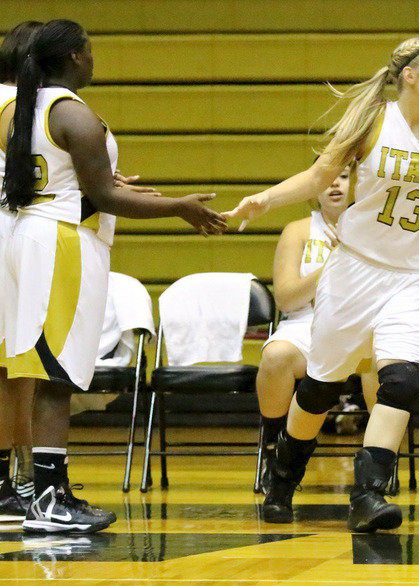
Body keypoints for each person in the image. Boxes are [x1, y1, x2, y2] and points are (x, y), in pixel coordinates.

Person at [224, 36, 419, 532]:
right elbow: (317, 177)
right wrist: (262, 201)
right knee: (320, 388)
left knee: (401, 379)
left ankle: (368, 493)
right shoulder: (373, 122)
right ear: (411, 75)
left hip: (418, 275)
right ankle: (283, 477)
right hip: (355, 270)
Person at [1, 19, 225, 534]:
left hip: (24, 235)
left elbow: (58, 179)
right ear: (76, 56)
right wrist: (177, 207)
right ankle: (50, 498)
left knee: (35, 367)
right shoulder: (72, 113)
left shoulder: (20, 107)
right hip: (62, 241)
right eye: (90, 50)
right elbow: (101, 196)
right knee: (58, 372)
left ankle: (30, 493)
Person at [256, 165, 379, 480]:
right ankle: (275, 449)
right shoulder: (297, 231)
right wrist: (334, 263)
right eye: (327, 178)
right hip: (305, 325)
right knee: (275, 356)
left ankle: (380, 462)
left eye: (344, 176)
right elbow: (285, 299)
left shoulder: (378, 227)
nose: (335, 184)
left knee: (382, 358)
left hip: (362, 325)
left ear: (358, 183)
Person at [0, 20, 43, 523]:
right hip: (13, 236)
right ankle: (30, 477)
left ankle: (23, 477)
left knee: (14, 370)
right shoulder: (18, 107)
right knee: (21, 369)